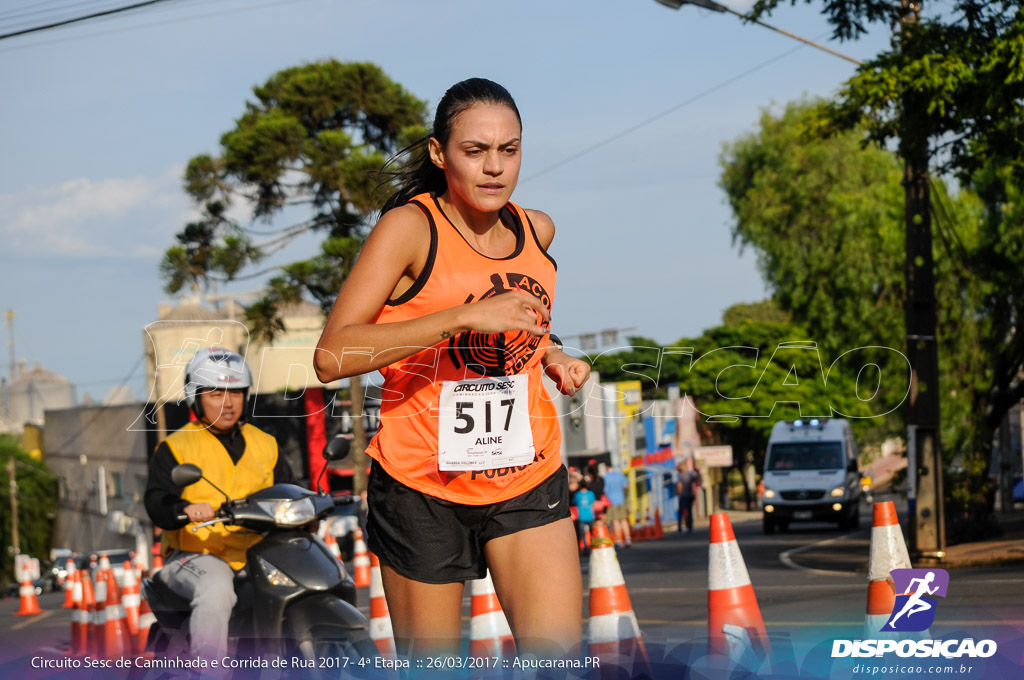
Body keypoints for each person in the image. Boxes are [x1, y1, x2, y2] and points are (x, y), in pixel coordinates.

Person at [314, 78, 591, 658]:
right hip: (422, 485)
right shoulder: (410, 229)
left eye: (508, 150)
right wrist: (461, 318)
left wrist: (555, 356)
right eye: (475, 151)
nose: (494, 168)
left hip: (524, 471)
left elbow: (521, 326)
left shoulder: (535, 229)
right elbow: (332, 355)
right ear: (440, 154)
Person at [144, 347, 292, 659]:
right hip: (195, 555)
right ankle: (207, 669)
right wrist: (184, 509)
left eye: (236, 393)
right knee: (217, 589)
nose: (228, 402)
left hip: (257, 553)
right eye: (216, 393)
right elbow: (157, 501)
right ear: (196, 397)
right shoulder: (176, 446)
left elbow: (290, 489)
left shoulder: (267, 444)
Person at [602, 465, 631, 548]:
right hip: (621, 500)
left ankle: (619, 540)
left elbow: (604, 490)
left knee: (615, 521)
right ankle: (628, 539)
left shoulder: (606, 477)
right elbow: (625, 486)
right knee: (624, 520)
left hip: (611, 501)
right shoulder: (620, 475)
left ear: (606, 467)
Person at [676, 457, 702, 534]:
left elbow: (679, 486)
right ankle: (690, 527)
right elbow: (697, 480)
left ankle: (680, 527)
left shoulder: (681, 475)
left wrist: (679, 494)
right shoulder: (690, 474)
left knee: (681, 512)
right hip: (690, 495)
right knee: (690, 511)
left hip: (684, 496)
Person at [573, 479, 596, 555]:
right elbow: (593, 504)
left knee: (582, 534)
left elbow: (574, 502)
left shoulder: (577, 494)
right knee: (592, 532)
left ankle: (585, 547)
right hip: (590, 515)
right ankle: (593, 546)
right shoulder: (591, 493)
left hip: (581, 516)